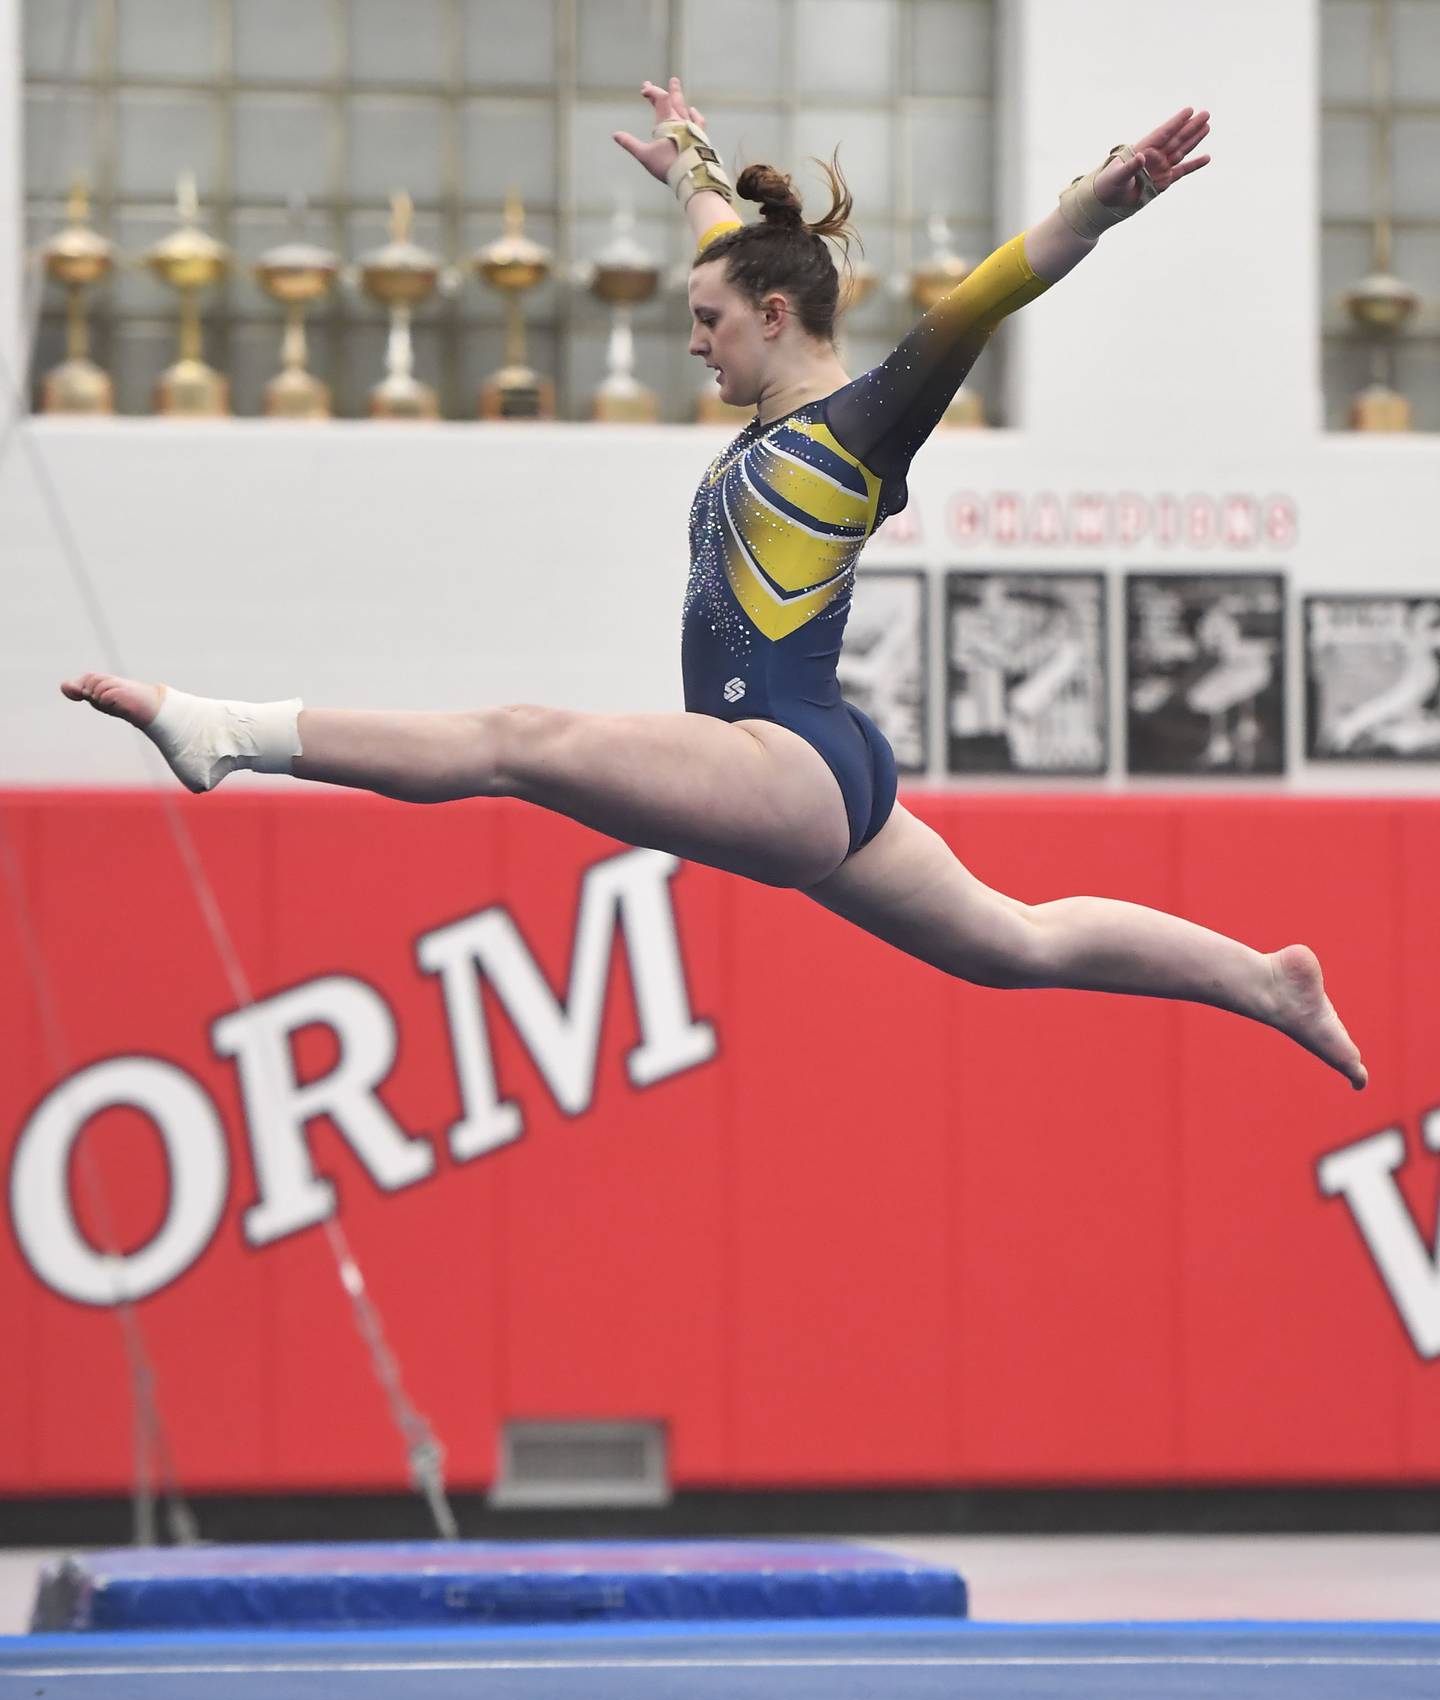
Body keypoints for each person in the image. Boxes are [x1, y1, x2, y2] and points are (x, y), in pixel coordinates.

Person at [61, 77, 1366, 1089]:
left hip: (782, 756)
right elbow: (738, 248)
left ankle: (224, 731)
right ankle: (1262, 979)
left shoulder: (862, 422)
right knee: (1012, 943)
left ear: (779, 322)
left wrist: (1099, 200)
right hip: (819, 760)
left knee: (520, 740)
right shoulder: (771, 378)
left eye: (709, 324)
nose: (694, 343)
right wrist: (689, 160)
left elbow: (978, 302)